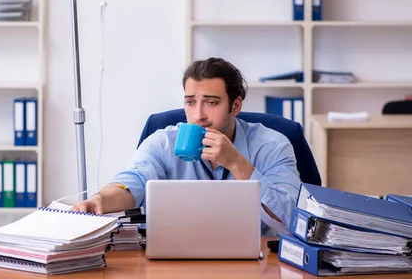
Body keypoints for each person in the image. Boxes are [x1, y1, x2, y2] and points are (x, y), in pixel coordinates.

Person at [71, 57, 302, 235]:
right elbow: (133, 182)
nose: (198, 115)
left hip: (256, 261)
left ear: (236, 105)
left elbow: (294, 220)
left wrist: (237, 164)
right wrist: (100, 200)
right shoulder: (163, 142)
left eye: (211, 103)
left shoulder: (273, 145)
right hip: (176, 257)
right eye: (191, 102)